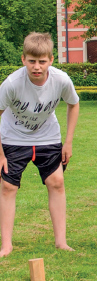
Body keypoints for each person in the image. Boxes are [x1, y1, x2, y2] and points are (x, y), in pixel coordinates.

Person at [0, 32, 80, 257]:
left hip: (48, 138)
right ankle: (6, 245)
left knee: (56, 182)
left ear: (51, 60)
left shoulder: (61, 80)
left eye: (42, 61)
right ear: (23, 59)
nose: (37, 66)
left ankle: (61, 242)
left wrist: (68, 142)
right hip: (13, 139)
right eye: (32, 61)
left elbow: (73, 105)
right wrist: (0, 155)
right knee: (8, 187)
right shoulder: (12, 84)